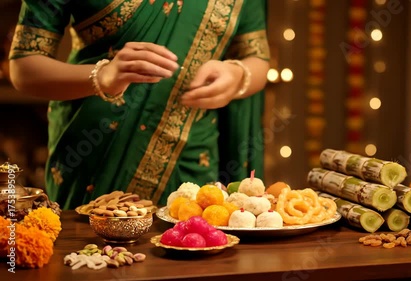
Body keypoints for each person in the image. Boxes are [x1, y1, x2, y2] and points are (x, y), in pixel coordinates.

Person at [8, 0, 270, 210]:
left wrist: (237, 76)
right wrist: (104, 76)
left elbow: (256, 57)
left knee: (190, 256)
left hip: (189, 154)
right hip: (94, 152)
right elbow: (23, 67)